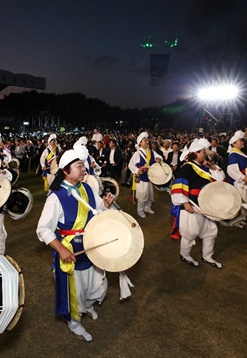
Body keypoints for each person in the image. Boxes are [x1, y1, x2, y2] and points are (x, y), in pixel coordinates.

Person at [36, 149, 113, 342]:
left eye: (82, 165)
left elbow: (97, 210)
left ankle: (87, 305)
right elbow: (42, 229)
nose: (83, 169)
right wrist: (61, 249)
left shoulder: (87, 188)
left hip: (91, 244)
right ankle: (74, 323)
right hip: (70, 249)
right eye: (79, 166)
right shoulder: (56, 197)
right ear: (65, 170)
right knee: (75, 288)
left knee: (96, 282)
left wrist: (105, 204)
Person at [171, 139, 226, 268]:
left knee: (210, 231)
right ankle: (185, 255)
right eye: (202, 152)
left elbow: (220, 180)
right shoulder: (187, 168)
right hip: (192, 205)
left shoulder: (204, 167)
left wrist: (212, 168)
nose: (205, 154)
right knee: (190, 233)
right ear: (196, 153)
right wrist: (185, 203)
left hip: (207, 205)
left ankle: (207, 256)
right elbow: (179, 186)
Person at [128, 131, 163, 218]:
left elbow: (160, 157)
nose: (146, 142)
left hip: (150, 177)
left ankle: (147, 207)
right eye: (144, 141)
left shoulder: (151, 152)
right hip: (141, 178)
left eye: (147, 140)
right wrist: (137, 170)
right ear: (140, 143)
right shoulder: (137, 154)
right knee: (142, 194)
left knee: (150, 194)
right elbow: (130, 164)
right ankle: (140, 210)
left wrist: (159, 159)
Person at [224, 130, 247, 227]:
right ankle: (235, 221)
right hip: (239, 183)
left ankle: (242, 219)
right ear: (234, 143)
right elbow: (231, 170)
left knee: (245, 202)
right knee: (240, 203)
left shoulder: (241, 153)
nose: (242, 142)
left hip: (245, 182)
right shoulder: (233, 154)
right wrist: (243, 177)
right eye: (240, 141)